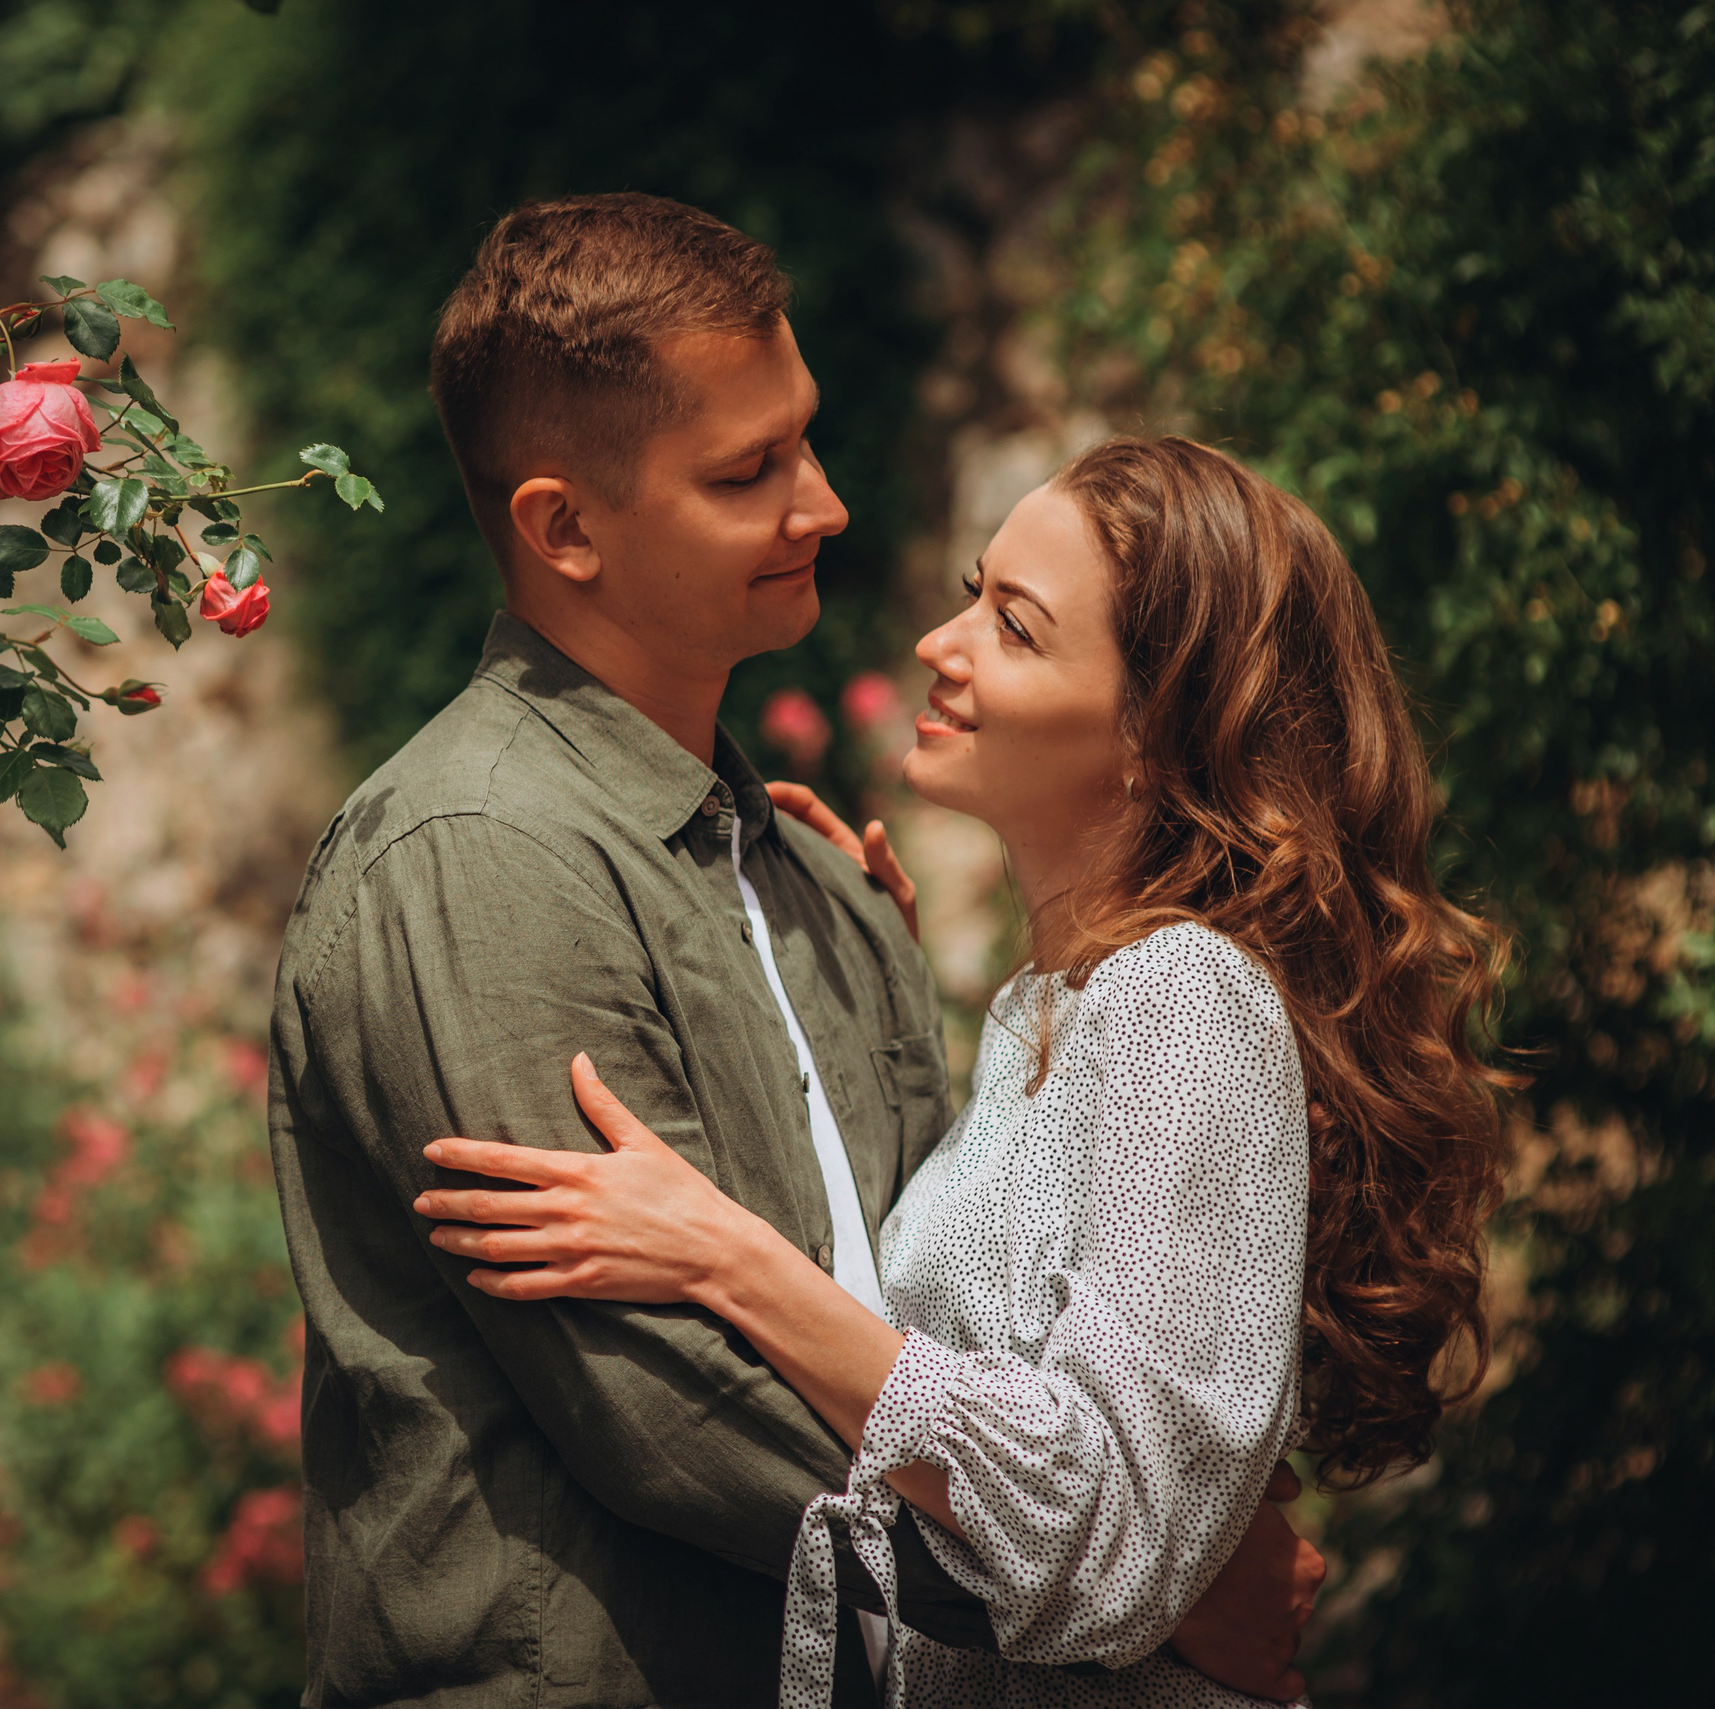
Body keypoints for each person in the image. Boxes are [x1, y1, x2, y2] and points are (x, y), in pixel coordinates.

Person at [266, 194, 1319, 1709]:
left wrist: (1128, 1550)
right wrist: (1134, 1590)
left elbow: (931, 1318)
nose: (821, 504)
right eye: (748, 471)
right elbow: (665, 1401)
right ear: (563, 527)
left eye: (805, 440)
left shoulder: (824, 889)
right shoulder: (476, 852)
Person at [415, 434, 1515, 1705]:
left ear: (1156, 733)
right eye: (970, 591)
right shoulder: (1054, 1011)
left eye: (1017, 626)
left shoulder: (1183, 999)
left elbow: (1102, 1532)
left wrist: (725, 1254)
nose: (946, 643)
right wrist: (867, 988)